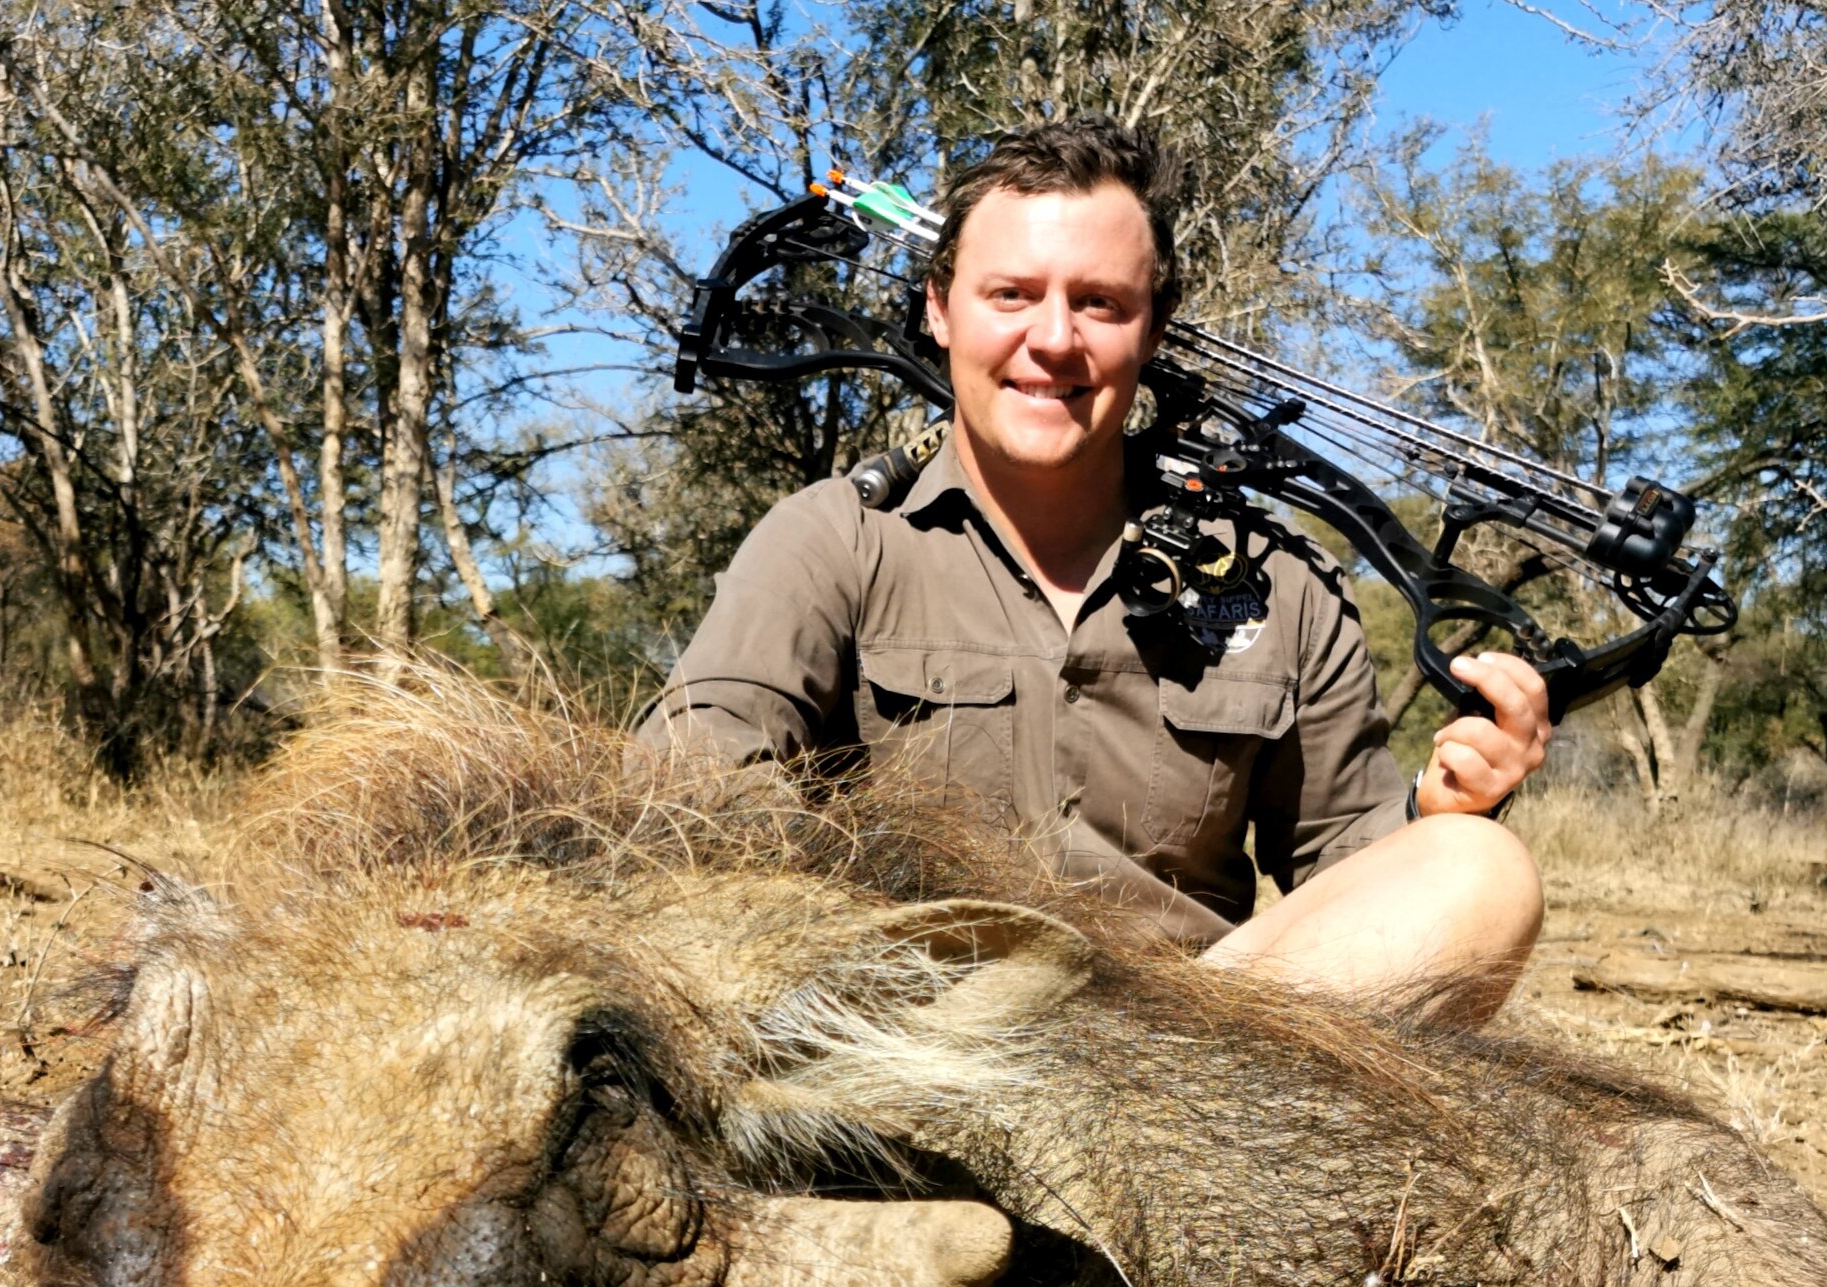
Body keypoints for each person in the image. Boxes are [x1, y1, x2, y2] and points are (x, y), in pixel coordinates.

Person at [640, 118, 1552, 1026]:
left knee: (1476, 871)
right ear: (938, 307)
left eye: (1100, 303)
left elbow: (1347, 867)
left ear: (1151, 329)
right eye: (1010, 294)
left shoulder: (1278, 583)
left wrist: (1446, 807)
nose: (1052, 340)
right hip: (906, 1044)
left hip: (1180, 1062)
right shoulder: (831, 539)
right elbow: (696, 781)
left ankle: (1161, 1152)